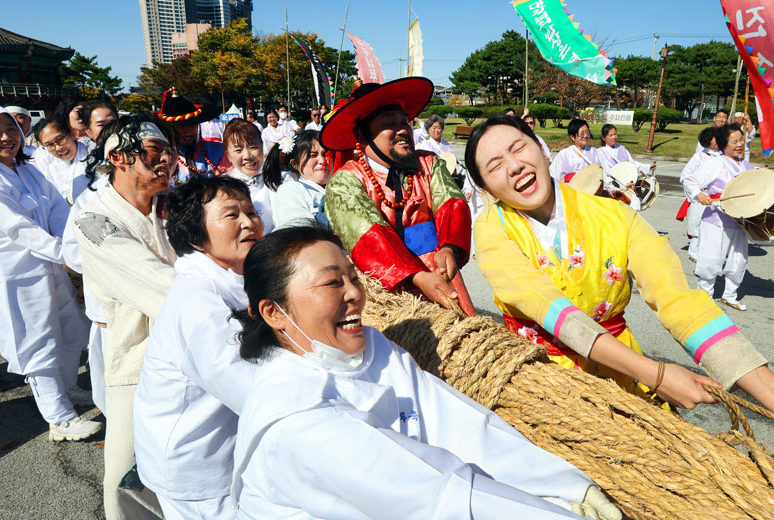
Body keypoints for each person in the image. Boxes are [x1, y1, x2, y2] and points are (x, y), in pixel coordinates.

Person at [230, 225, 622, 520]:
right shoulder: (296, 418)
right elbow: (437, 497)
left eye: (353, 276)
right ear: (273, 312)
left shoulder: (372, 350)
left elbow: (462, 426)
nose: (354, 293)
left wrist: (564, 484)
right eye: (332, 282)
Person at [466, 114, 774, 412]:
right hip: (540, 379)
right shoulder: (490, 228)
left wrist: (764, 389)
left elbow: (677, 299)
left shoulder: (615, 215)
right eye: (495, 166)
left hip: (622, 372)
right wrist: (655, 375)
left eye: (519, 148)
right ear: (486, 189)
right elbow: (541, 301)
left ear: (542, 149)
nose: (515, 165)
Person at [0, 104, 97, 439]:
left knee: (68, 329)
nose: (7, 137)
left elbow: (53, 206)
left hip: (47, 263)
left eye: (11, 129)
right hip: (13, 273)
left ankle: (65, 389)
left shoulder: (27, 168)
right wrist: (64, 251)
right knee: (36, 340)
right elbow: (15, 226)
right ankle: (59, 417)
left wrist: (69, 242)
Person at [133, 175, 261, 520]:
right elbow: (250, 389)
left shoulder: (237, 278)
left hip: (219, 446)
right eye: (231, 215)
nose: (249, 222)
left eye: (251, 211)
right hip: (197, 465)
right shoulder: (198, 304)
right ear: (195, 236)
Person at [73, 114, 177, 520]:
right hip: (137, 355)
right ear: (117, 156)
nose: (167, 160)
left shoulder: (177, 205)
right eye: (155, 152)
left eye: (169, 151)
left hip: (199, 346)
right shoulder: (92, 218)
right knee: (126, 475)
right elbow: (159, 284)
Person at [321, 77, 476, 316]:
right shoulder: (346, 181)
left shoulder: (429, 164)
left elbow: (452, 203)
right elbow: (369, 236)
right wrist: (416, 276)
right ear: (362, 136)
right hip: (384, 284)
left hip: (439, 272)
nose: (403, 130)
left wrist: (450, 248)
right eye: (390, 123)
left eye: (405, 122)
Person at [687, 123, 753, 311]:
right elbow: (690, 180)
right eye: (735, 141)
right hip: (716, 219)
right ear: (724, 144)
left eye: (741, 139)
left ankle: (730, 295)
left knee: (738, 259)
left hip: (740, 221)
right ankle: (704, 294)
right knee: (711, 259)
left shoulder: (747, 166)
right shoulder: (716, 163)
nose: (740, 144)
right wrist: (699, 195)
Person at [156, 88, 230, 182]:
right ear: (170, 129)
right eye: (181, 127)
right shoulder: (161, 157)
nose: (188, 132)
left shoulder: (219, 151)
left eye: (192, 125)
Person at [264, 130, 330, 228]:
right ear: (295, 164)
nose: (322, 160)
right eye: (313, 155)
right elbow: (299, 234)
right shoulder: (290, 191)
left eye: (325, 155)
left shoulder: (340, 187)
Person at [677, 127, 721, 262]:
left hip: (717, 198)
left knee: (713, 226)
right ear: (708, 140)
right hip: (701, 197)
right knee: (697, 225)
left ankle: (710, 251)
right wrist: (696, 193)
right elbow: (685, 176)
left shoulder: (723, 157)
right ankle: (694, 252)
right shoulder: (698, 157)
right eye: (716, 137)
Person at [224, 119, 275, 233]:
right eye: (238, 150)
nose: (247, 156)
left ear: (262, 147)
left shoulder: (280, 178)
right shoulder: (223, 187)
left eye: (253, 147)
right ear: (228, 155)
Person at [597, 124, 656, 210]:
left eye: (615, 134)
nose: (614, 137)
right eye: (611, 135)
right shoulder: (600, 152)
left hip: (628, 186)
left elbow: (632, 164)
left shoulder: (622, 149)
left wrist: (647, 167)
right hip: (612, 187)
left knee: (634, 203)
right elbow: (606, 173)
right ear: (603, 138)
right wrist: (621, 184)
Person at [32, 118, 90, 202]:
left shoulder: (91, 153)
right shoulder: (42, 161)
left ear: (72, 134)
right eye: (49, 145)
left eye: (60, 139)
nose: (58, 148)